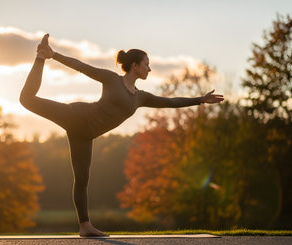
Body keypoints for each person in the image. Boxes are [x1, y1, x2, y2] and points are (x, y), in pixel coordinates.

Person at [20, 34, 224, 237]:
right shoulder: (111, 80)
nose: (150, 69)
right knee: (27, 99)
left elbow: (169, 102)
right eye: (146, 64)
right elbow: (82, 66)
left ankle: (85, 226)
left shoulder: (141, 97)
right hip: (76, 116)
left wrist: (200, 100)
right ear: (134, 65)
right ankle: (40, 56)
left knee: (82, 180)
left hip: (85, 136)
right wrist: (53, 55)